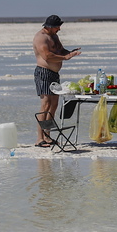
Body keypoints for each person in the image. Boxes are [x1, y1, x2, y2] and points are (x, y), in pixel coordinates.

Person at [33, 14, 81, 147]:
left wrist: (70, 52)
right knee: (46, 104)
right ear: (50, 26)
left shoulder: (54, 36)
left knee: (54, 104)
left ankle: (48, 136)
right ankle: (39, 138)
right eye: (57, 27)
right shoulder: (41, 37)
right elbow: (47, 56)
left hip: (54, 74)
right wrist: (66, 58)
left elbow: (60, 50)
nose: (59, 29)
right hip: (43, 72)